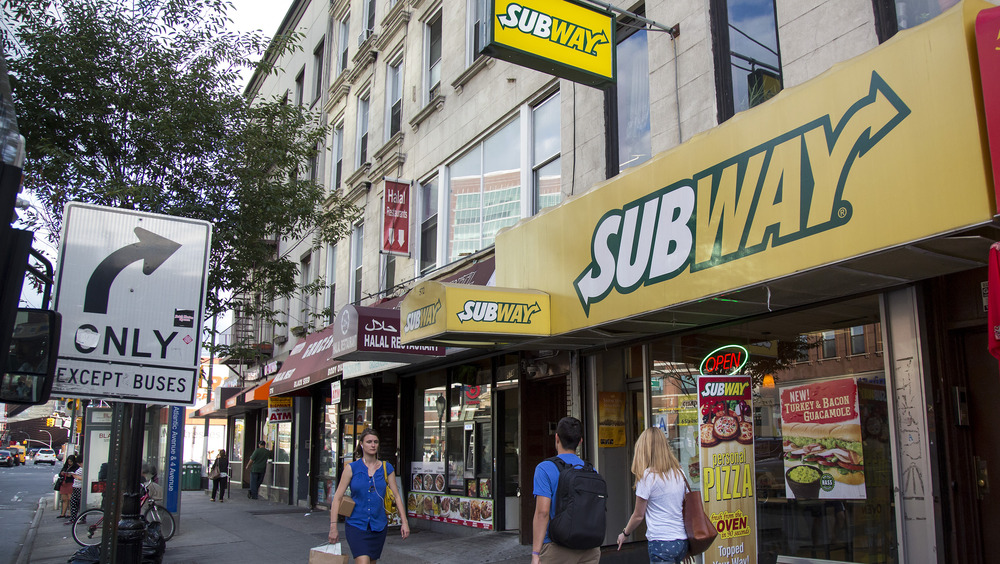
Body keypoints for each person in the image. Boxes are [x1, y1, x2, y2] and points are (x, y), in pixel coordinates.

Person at [328, 428, 409, 563]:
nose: (373, 445)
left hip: (378, 526)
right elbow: (337, 497)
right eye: (369, 442)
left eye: (375, 442)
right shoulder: (352, 468)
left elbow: (396, 496)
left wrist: (404, 523)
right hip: (356, 525)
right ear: (361, 444)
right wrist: (333, 527)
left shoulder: (386, 468)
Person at [531, 416, 601, 564]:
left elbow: (542, 513)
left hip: (556, 548)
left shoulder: (544, 468)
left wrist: (536, 553)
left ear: (557, 438)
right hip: (589, 548)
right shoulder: (591, 470)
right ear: (580, 441)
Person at [616, 428, 688, 563]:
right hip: (681, 540)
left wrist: (625, 533)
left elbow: (638, 515)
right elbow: (684, 506)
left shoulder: (648, 477)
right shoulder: (679, 472)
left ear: (644, 449)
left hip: (661, 541)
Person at [67, 455, 84, 524]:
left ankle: (81, 518)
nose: (79, 464)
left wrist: (76, 476)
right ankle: (73, 518)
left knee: (80, 503)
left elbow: (84, 478)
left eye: (80, 463)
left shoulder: (85, 469)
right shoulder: (80, 468)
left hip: (80, 487)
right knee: (73, 502)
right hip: (76, 487)